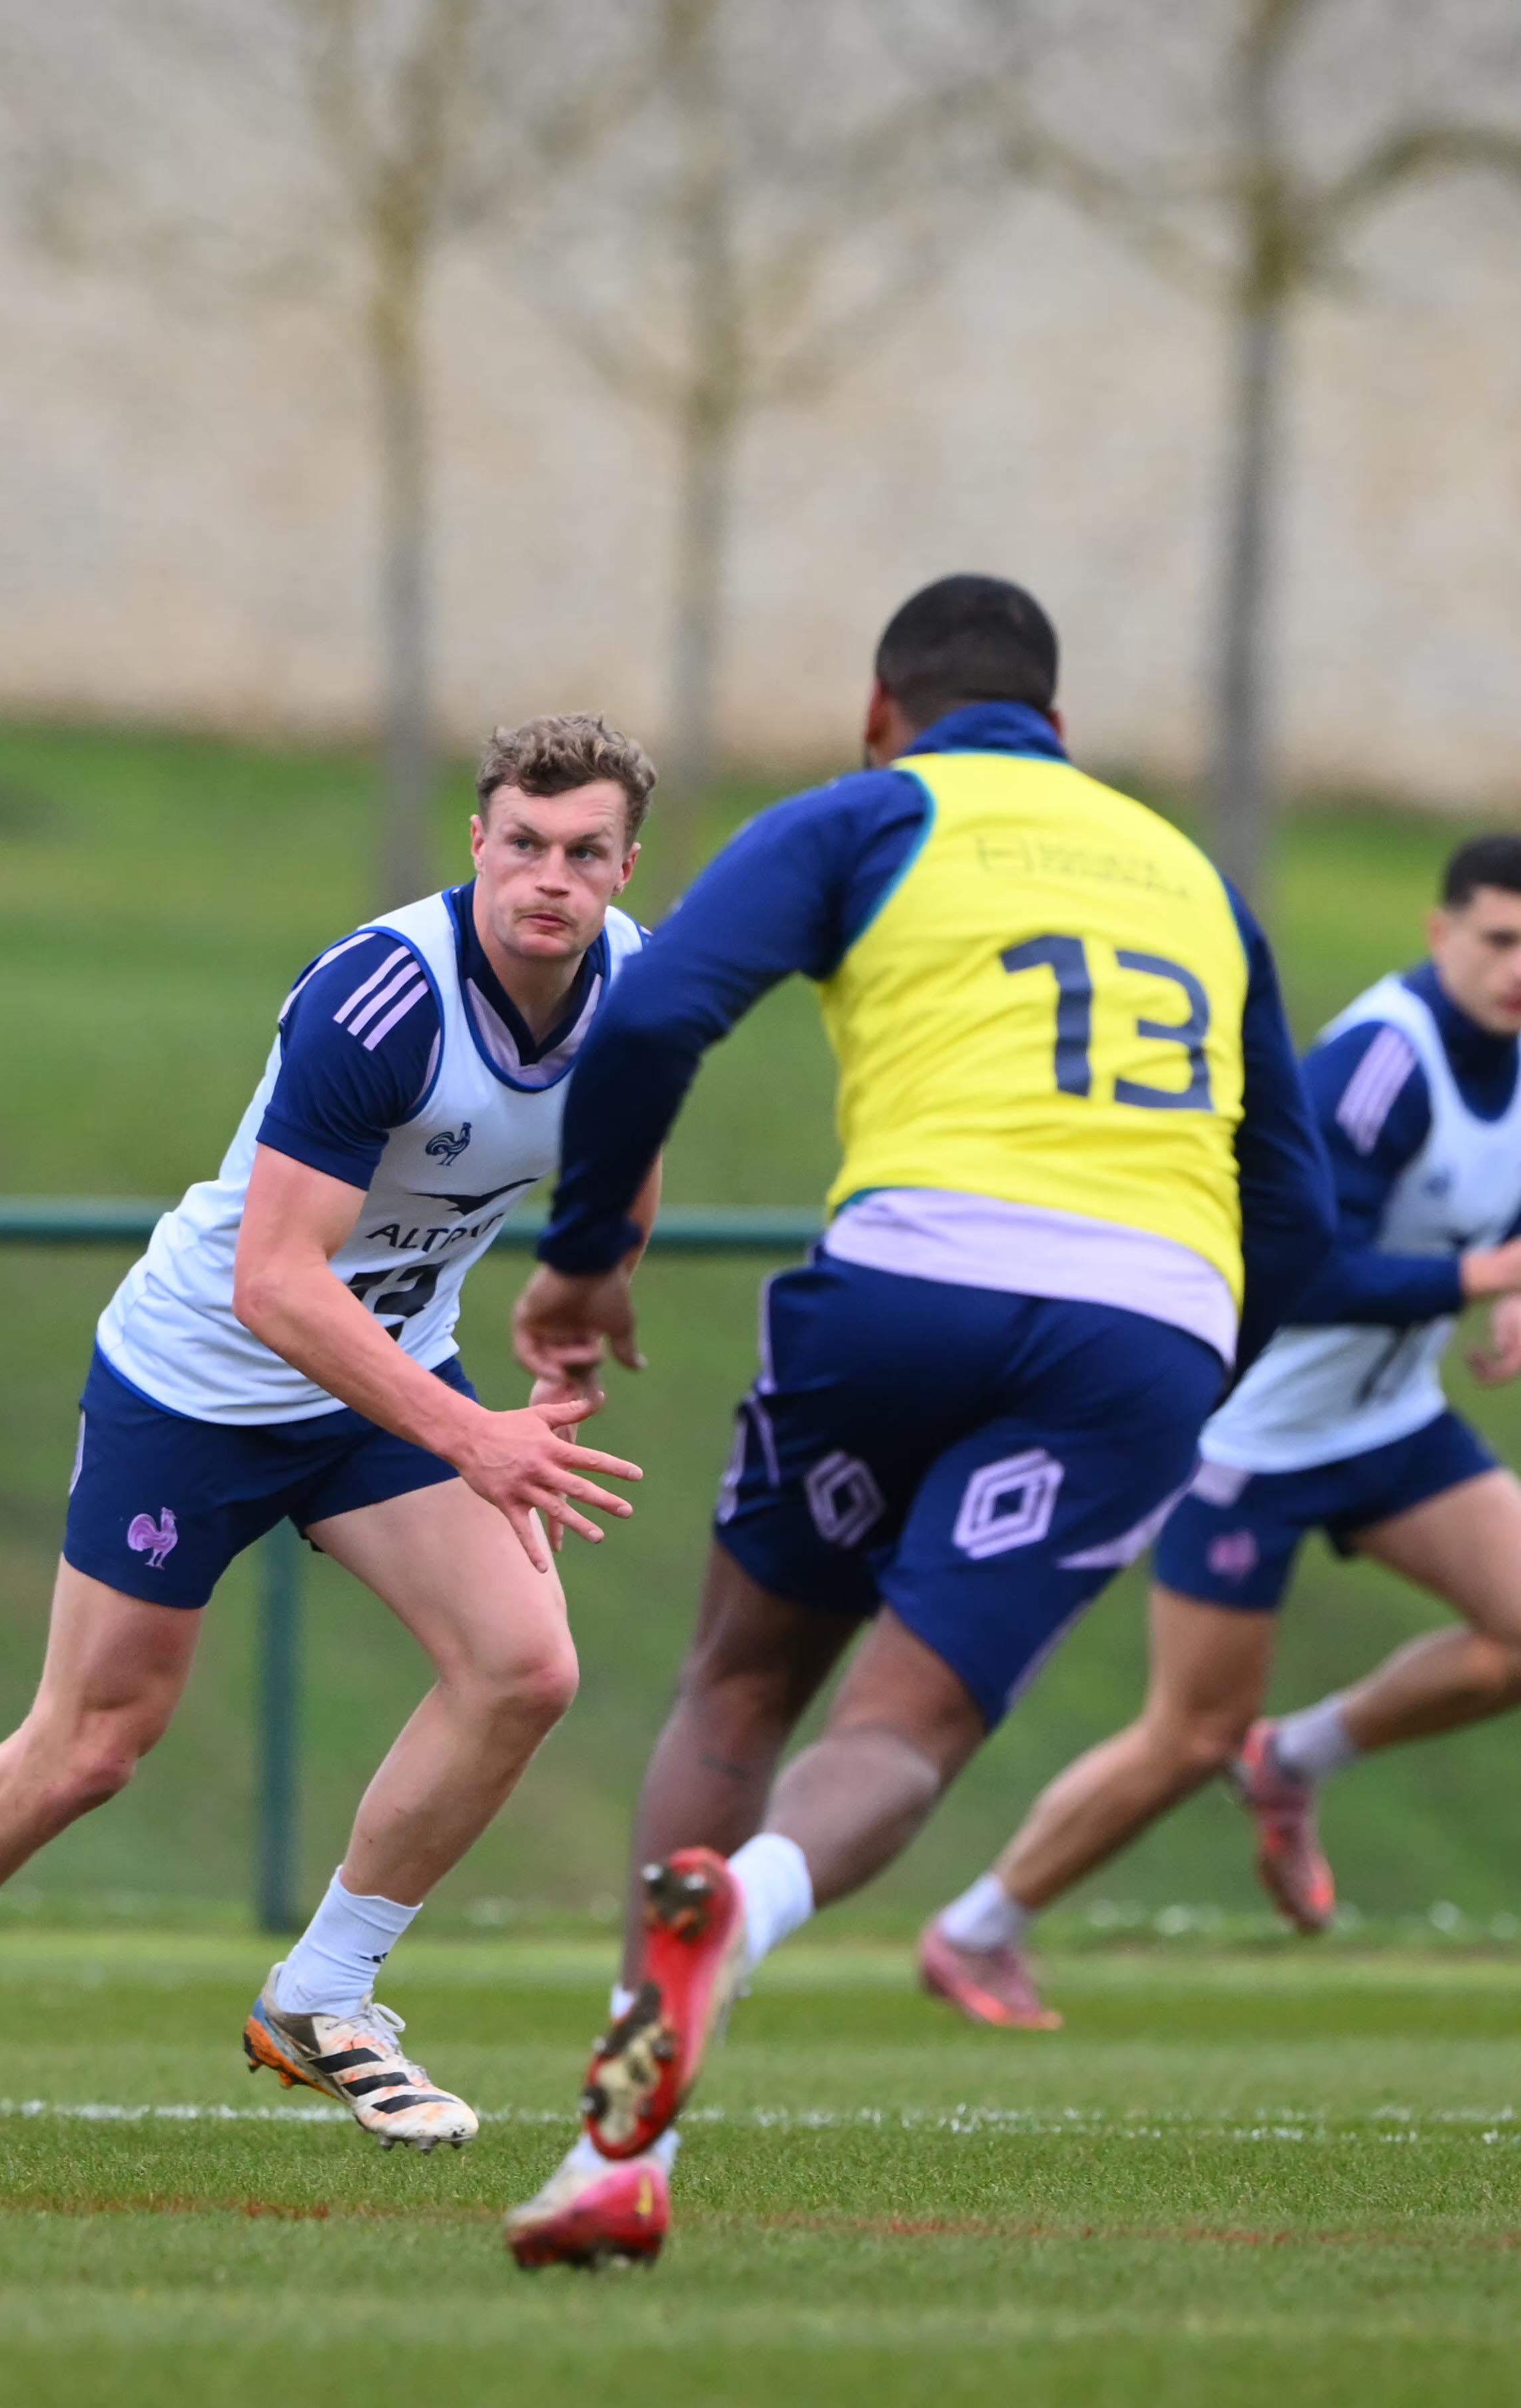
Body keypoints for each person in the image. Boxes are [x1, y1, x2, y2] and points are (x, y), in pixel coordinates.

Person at [496, 575, 1330, 2271]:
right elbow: (1295, 1216)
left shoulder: (868, 814)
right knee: (906, 1723)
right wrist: (1172, 1395)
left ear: (884, 708)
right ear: (1063, 731)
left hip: (907, 1282)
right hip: (1144, 1329)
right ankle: (754, 1905)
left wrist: (583, 1262)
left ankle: (612, 2141)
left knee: (739, 1678)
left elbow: (653, 1013)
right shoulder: (1188, 875)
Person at [0, 715, 654, 2153]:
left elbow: (621, 1164)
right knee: (94, 1740)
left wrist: (576, 1303)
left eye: (583, 853)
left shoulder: (637, 992)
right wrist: (478, 1440)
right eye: (521, 844)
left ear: (624, 866)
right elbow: (274, 1281)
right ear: (475, 843)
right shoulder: (380, 1001)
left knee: (521, 1666)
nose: (546, 877)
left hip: (380, 1373)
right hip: (203, 1377)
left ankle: (323, 1993)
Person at [921, 835, 1521, 2021]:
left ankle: (1294, 1762)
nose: (1518, 969)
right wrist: (1478, 1279)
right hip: (1251, 1440)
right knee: (1190, 1733)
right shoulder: (1380, 1064)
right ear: (1440, 931)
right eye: (1500, 940)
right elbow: (1306, 1267)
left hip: (1388, 1422)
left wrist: (1504, 1292)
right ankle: (974, 1930)